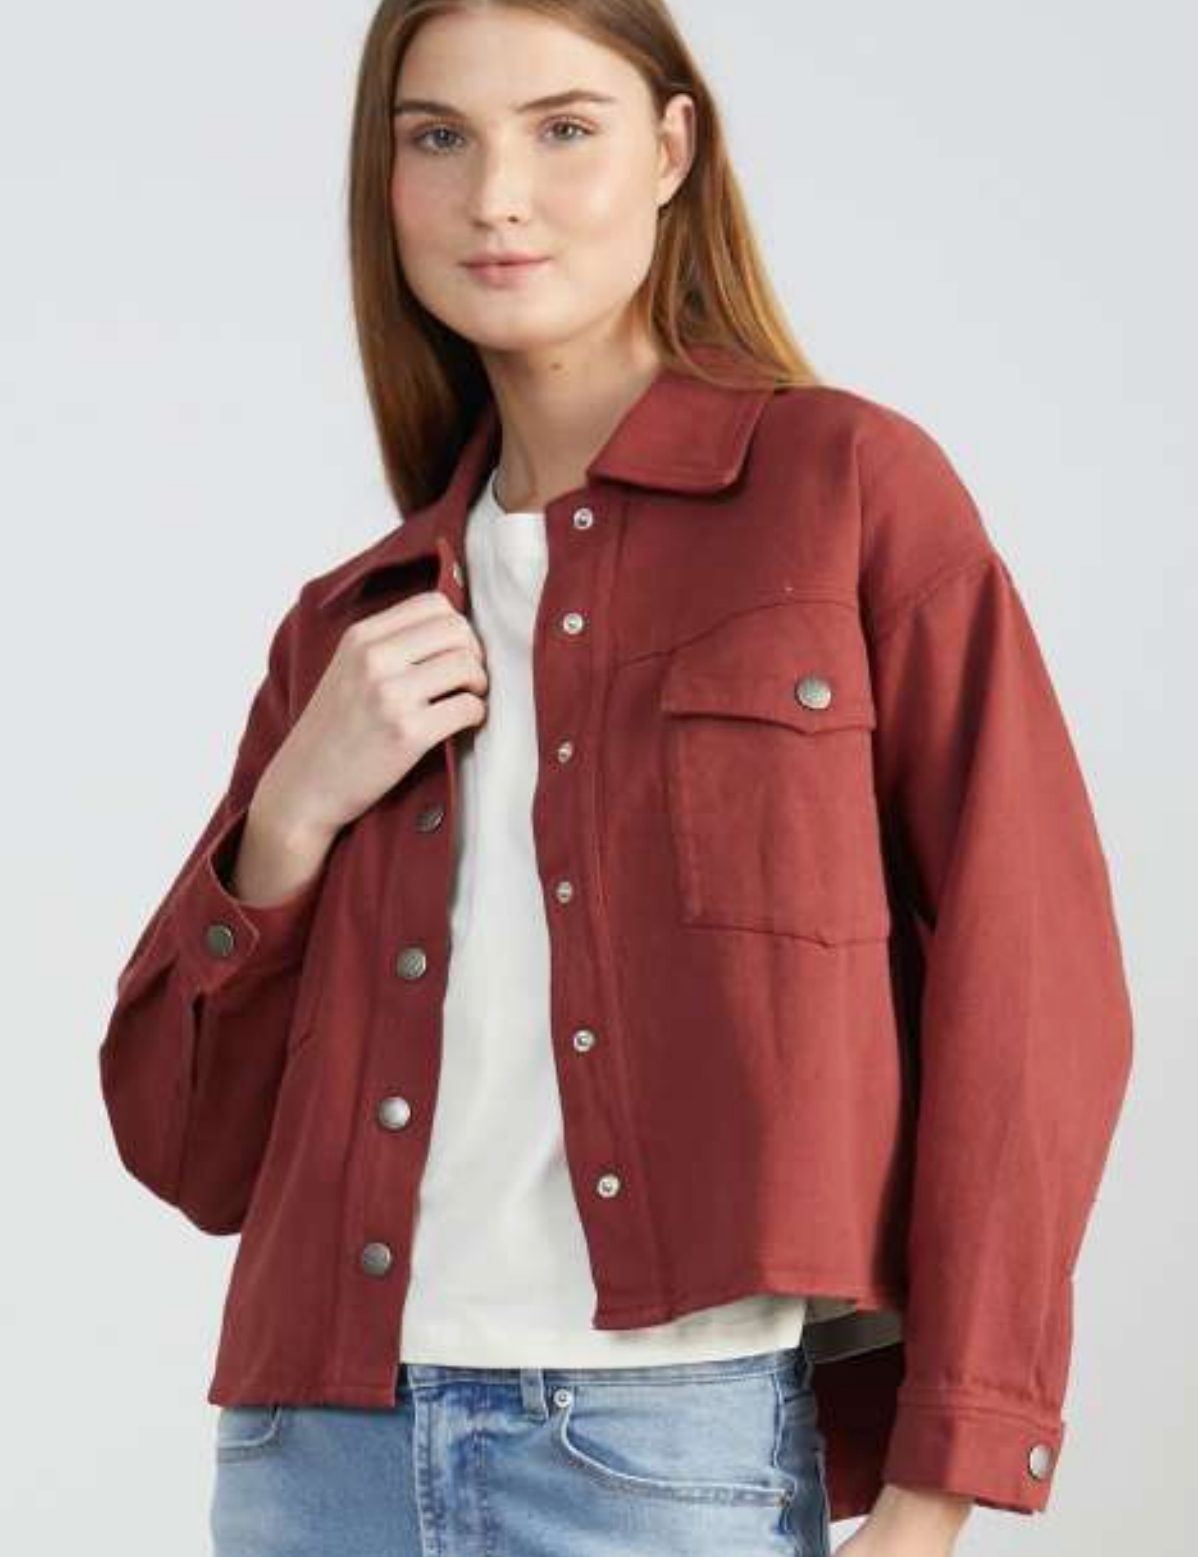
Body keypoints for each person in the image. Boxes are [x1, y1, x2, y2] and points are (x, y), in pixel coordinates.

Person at [97, 2, 1134, 1554]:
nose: (495, 195)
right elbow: (187, 1152)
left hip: (661, 1447)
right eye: (437, 138)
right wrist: (291, 818)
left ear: (669, 149)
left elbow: (1032, 981)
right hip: (310, 1452)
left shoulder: (845, 493)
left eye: (562, 128)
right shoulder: (351, 623)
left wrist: (937, 1488)